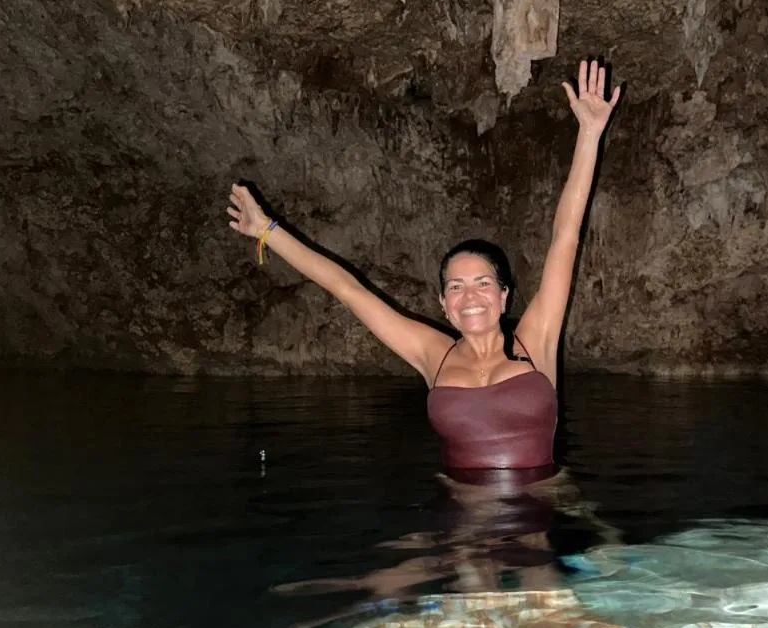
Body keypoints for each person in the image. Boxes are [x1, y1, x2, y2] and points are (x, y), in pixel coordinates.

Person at [227, 59, 621, 484]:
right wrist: (266, 230)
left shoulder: (536, 339)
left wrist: (589, 134)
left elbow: (566, 236)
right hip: (458, 527)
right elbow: (348, 289)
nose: (470, 296)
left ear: (504, 296)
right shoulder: (433, 353)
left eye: (482, 283)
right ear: (444, 304)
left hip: (533, 524)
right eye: (456, 287)